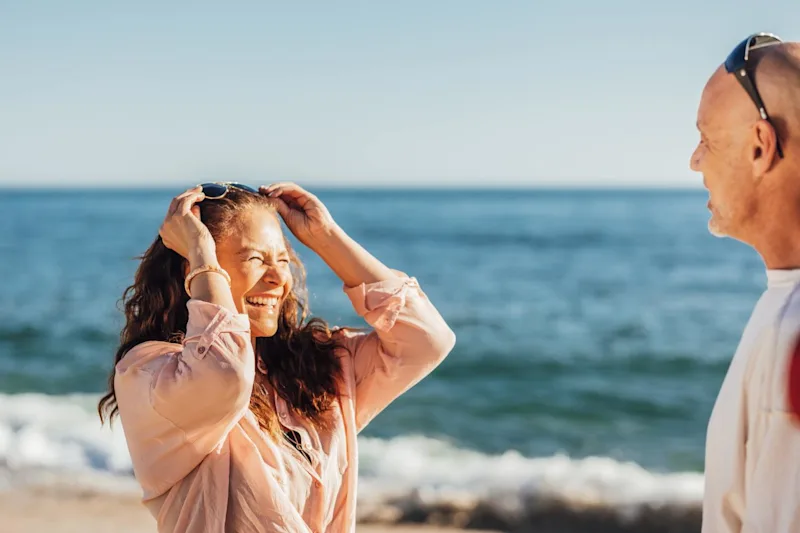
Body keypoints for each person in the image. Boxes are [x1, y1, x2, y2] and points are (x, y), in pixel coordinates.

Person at [97, 181, 456, 533]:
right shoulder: (150, 373)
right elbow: (225, 373)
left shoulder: (315, 370)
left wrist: (325, 236)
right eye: (255, 258)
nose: (277, 278)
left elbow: (426, 340)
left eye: (282, 260)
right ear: (190, 268)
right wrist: (200, 254)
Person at [691, 33, 800, 532]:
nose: (695, 161)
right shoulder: (782, 303)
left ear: (762, 146)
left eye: (707, 140)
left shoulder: (792, 332)